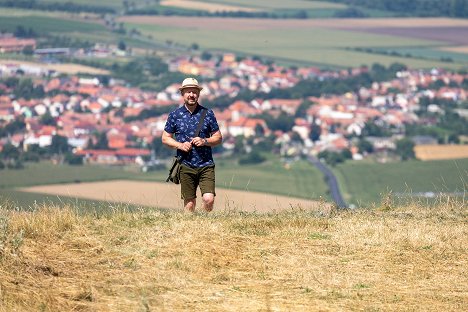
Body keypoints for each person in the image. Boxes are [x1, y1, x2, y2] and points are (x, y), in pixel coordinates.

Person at [162, 77, 223, 212]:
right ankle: (191, 229)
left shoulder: (208, 114)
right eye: (188, 92)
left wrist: (205, 141)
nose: (191, 95)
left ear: (198, 94)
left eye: (194, 92)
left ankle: (205, 223)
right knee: (189, 204)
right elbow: (165, 138)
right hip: (185, 165)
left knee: (209, 199)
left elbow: (218, 137)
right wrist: (180, 145)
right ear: (182, 94)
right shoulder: (175, 115)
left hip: (206, 164)